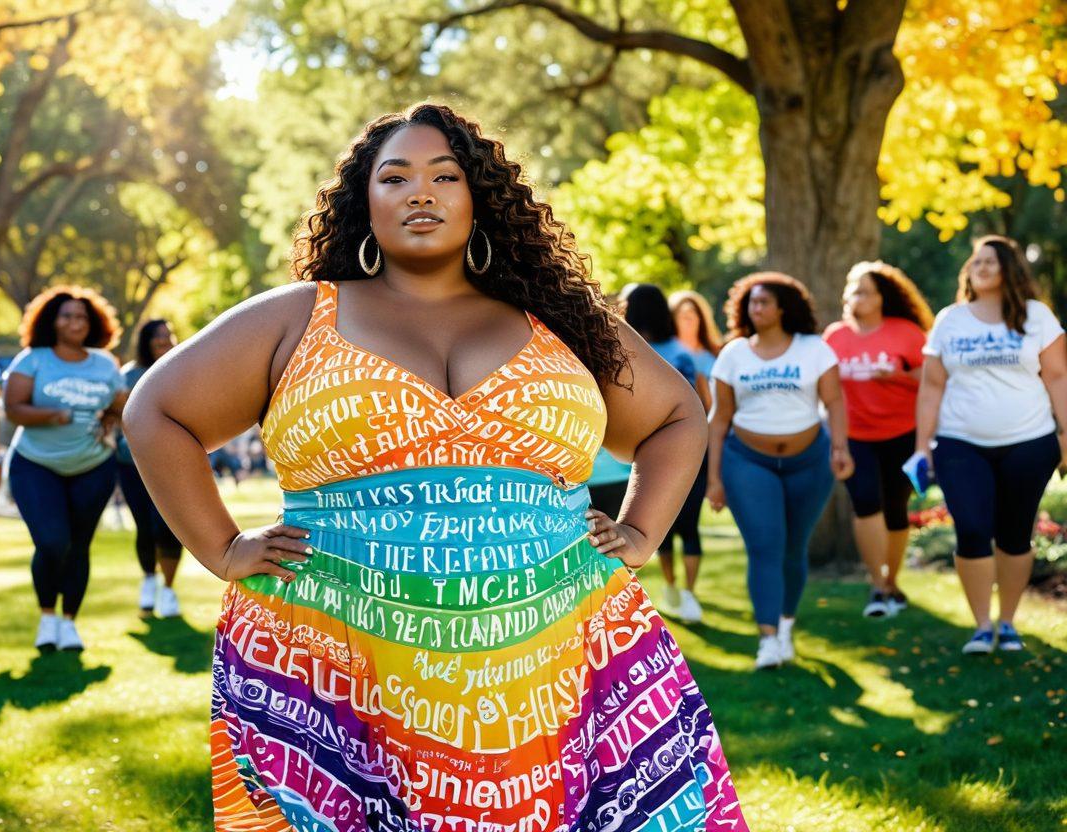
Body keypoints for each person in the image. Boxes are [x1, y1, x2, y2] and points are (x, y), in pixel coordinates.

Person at [124, 104, 747, 830]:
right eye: (395, 177)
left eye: (444, 176)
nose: (421, 192)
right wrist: (225, 548)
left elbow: (677, 418)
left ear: (479, 198)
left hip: (552, 658)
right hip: (338, 660)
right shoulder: (298, 317)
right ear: (365, 202)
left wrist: (641, 533)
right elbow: (155, 413)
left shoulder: (560, 322)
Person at [913, 236, 1067, 654]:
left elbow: (1056, 376)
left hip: (1030, 441)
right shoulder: (950, 320)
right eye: (975, 261)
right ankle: (982, 625)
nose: (980, 267)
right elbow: (931, 386)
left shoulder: (1036, 316)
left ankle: (1009, 622)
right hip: (960, 441)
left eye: (991, 262)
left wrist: (1065, 432)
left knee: (1015, 534)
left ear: (1009, 269)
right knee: (973, 529)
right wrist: (922, 445)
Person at [707, 272, 853, 669]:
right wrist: (714, 477)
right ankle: (767, 638)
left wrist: (840, 447)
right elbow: (718, 419)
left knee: (793, 547)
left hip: (810, 461)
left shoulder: (813, 349)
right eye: (751, 302)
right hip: (747, 461)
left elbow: (834, 402)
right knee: (765, 545)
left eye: (764, 302)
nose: (756, 309)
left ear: (784, 308)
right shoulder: (734, 354)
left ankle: (786, 625)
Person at [3, 285, 127, 652]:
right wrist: (50, 415)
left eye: (82, 316)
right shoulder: (33, 359)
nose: (76, 322)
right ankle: (47, 617)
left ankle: (69, 622)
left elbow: (123, 405)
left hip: (93, 465)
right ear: (51, 321)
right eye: (67, 315)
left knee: (79, 545)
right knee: (52, 542)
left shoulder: (104, 363)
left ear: (94, 323)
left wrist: (111, 417)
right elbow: (13, 408)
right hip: (36, 464)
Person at [825, 262, 933, 618]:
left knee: (896, 509)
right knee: (866, 503)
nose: (858, 297)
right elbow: (825, 389)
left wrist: (898, 376)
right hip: (856, 436)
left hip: (902, 433)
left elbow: (931, 381)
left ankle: (893, 580)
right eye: (853, 290)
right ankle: (878, 584)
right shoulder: (835, 337)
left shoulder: (906, 332)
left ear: (882, 297)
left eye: (866, 291)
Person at [622, 282, 709, 623]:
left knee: (656, 528)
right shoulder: (681, 354)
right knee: (689, 525)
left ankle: (675, 587)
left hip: (639, 456)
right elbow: (697, 405)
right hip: (689, 451)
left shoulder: (627, 349)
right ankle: (687, 591)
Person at [117, 319, 184, 617]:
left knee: (169, 526)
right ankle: (149, 579)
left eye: (167, 335)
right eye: (157, 336)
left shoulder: (183, 368)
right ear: (145, 341)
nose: (163, 340)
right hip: (130, 464)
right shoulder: (128, 375)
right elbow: (116, 414)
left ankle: (168, 589)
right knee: (144, 527)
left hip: (172, 464)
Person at [671, 288, 724, 405]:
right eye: (681, 313)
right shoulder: (665, 356)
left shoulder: (718, 353)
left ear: (701, 317)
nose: (688, 316)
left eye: (692, 311)